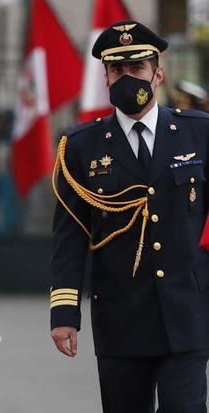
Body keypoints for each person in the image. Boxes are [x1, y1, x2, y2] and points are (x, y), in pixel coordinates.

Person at [50, 20, 209, 412]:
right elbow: (70, 235)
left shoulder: (198, 133)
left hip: (187, 313)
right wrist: (64, 312)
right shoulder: (80, 146)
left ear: (158, 74)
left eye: (136, 69)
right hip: (122, 317)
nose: (127, 78)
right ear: (105, 77)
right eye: (117, 70)